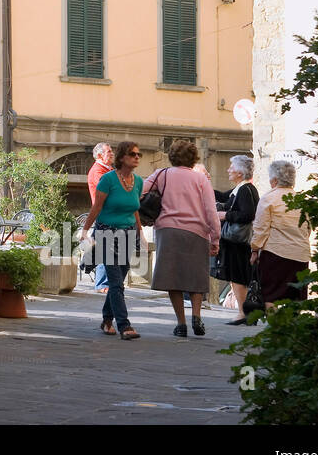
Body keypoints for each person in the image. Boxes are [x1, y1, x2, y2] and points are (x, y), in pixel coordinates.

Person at [144, 139, 220, 337]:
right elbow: (211, 210)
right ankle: (196, 316)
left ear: (172, 156)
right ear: (194, 157)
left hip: (168, 230)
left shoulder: (161, 174)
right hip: (196, 231)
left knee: (173, 278)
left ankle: (181, 323)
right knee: (195, 276)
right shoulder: (201, 179)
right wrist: (216, 237)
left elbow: (141, 191)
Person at [81, 140, 144, 340]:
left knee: (118, 281)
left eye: (138, 154)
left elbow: (134, 208)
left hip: (128, 234)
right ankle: (124, 325)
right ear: (122, 157)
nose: (137, 157)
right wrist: (85, 230)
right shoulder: (107, 179)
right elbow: (97, 207)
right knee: (116, 283)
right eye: (133, 154)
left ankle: (107, 320)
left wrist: (140, 232)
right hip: (106, 234)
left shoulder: (138, 181)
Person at [250, 160, 310, 305]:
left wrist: (254, 250)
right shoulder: (301, 200)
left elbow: (261, 229)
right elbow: (308, 228)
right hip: (301, 254)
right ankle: (294, 327)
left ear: (275, 180)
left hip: (275, 253)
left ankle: (275, 327)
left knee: (271, 296)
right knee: (296, 298)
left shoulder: (268, 198)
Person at [216, 155, 259, 324]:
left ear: (240, 172)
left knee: (238, 276)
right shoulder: (241, 188)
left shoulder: (244, 190)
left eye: (231, 167)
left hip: (238, 241)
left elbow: (248, 214)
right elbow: (221, 196)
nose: (228, 170)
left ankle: (243, 313)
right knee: (237, 276)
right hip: (238, 242)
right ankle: (245, 312)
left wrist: (225, 215)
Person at [86, 142, 114, 293]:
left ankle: (106, 282)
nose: (112, 154)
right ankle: (103, 284)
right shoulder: (98, 171)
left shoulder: (108, 170)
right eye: (109, 152)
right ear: (99, 155)